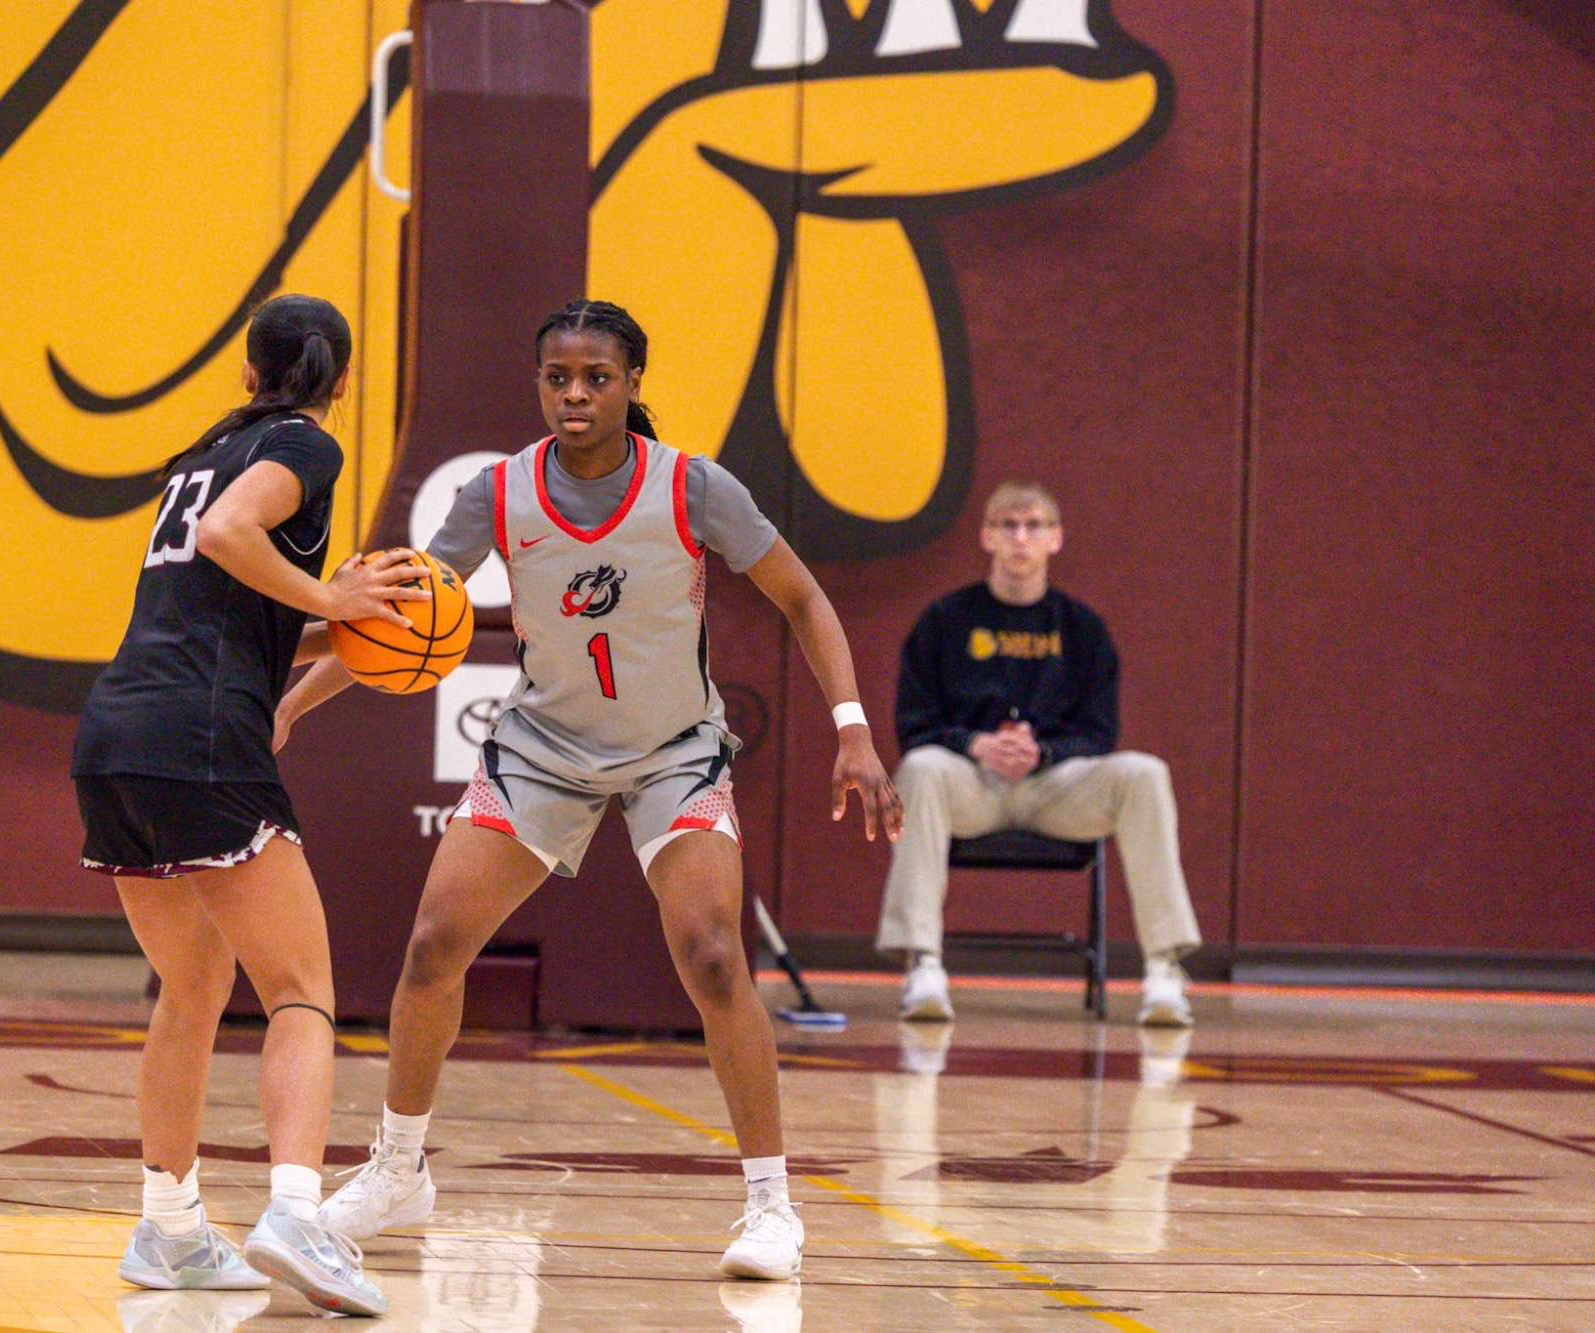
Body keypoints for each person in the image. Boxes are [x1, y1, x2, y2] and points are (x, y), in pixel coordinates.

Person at [277, 299, 902, 1282]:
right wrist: (291, 705)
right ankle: (397, 1168)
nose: (575, 394)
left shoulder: (691, 486)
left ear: (631, 384)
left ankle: (771, 1207)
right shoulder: (498, 491)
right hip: (541, 747)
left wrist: (854, 730)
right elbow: (395, 621)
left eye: (596, 378)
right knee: (434, 945)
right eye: (557, 378)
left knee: (712, 956)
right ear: (539, 385)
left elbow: (802, 596)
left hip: (672, 750)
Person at [71, 294, 419, 1315]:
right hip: (200, 733)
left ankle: (169, 1227)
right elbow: (233, 534)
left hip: (117, 735)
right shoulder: (303, 445)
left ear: (247, 371)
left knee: (191, 986)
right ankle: (298, 1215)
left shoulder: (199, 456)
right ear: (340, 380)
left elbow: (227, 604)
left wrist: (345, 624)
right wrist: (334, 598)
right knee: (301, 988)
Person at [875, 480, 1202, 1026]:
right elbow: (914, 726)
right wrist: (976, 743)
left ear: (1056, 538)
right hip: (972, 788)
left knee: (1144, 773)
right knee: (921, 768)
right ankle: (923, 965)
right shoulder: (944, 621)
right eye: (1008, 525)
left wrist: (1044, 752)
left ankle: (1164, 971)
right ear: (987, 536)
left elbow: (1100, 734)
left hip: (1057, 790)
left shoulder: (1084, 629)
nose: (1021, 538)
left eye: (1034, 526)